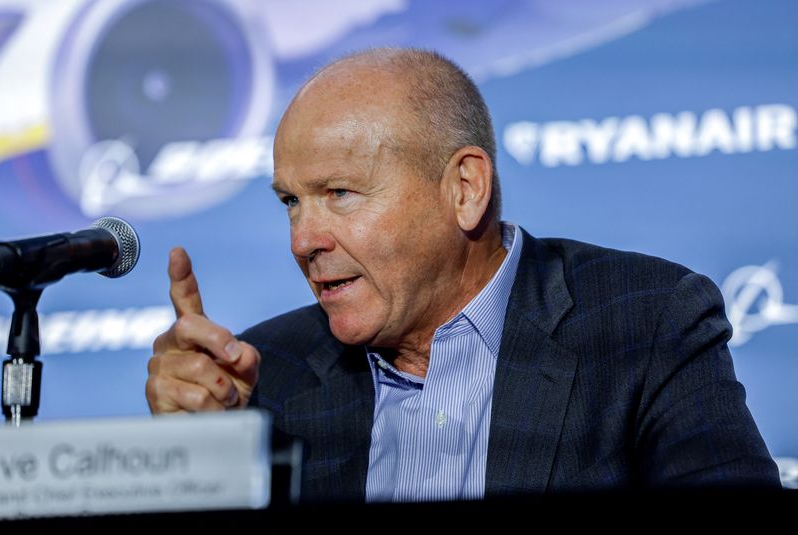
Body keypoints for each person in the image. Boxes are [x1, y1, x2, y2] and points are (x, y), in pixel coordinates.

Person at [145, 47, 781, 502]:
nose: (304, 240)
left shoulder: (645, 323)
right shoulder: (263, 377)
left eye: (340, 193)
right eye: (291, 202)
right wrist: (191, 457)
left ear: (464, 189)